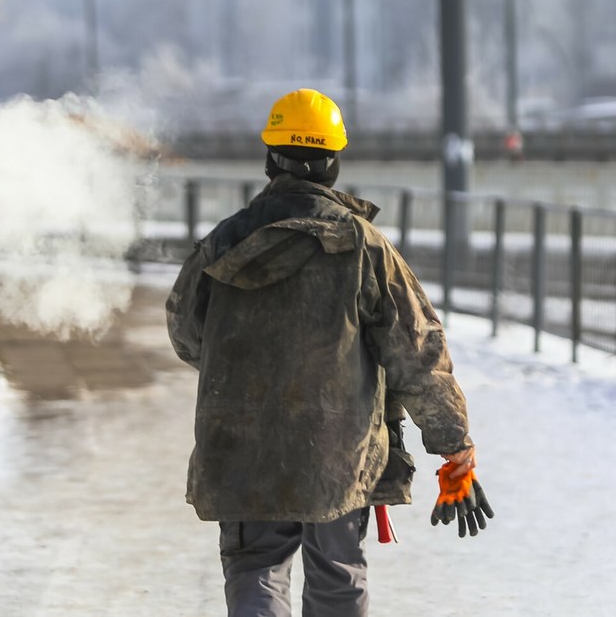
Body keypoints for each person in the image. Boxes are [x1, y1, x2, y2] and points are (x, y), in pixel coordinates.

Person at [166, 89, 492, 617]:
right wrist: (455, 450)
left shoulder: (223, 243)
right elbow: (418, 352)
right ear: (332, 164)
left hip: (241, 449)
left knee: (255, 571)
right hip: (340, 454)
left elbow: (185, 332)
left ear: (271, 159)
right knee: (338, 578)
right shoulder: (363, 246)